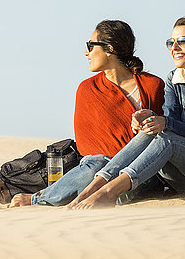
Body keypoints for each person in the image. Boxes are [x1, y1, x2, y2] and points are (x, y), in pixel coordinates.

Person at [67, 16, 185, 209]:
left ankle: (108, 192)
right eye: (170, 43)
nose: (174, 47)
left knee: (167, 139)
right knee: (152, 130)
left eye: (182, 41)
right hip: (180, 176)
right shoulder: (173, 79)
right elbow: (169, 122)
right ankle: (95, 187)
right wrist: (150, 119)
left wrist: (166, 123)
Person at [10, 20, 165, 207]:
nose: (86, 53)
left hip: (137, 173)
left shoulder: (152, 85)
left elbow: (158, 139)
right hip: (99, 169)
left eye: (90, 46)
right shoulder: (88, 89)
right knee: (95, 166)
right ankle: (41, 198)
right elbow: (89, 147)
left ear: (110, 49)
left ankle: (43, 197)